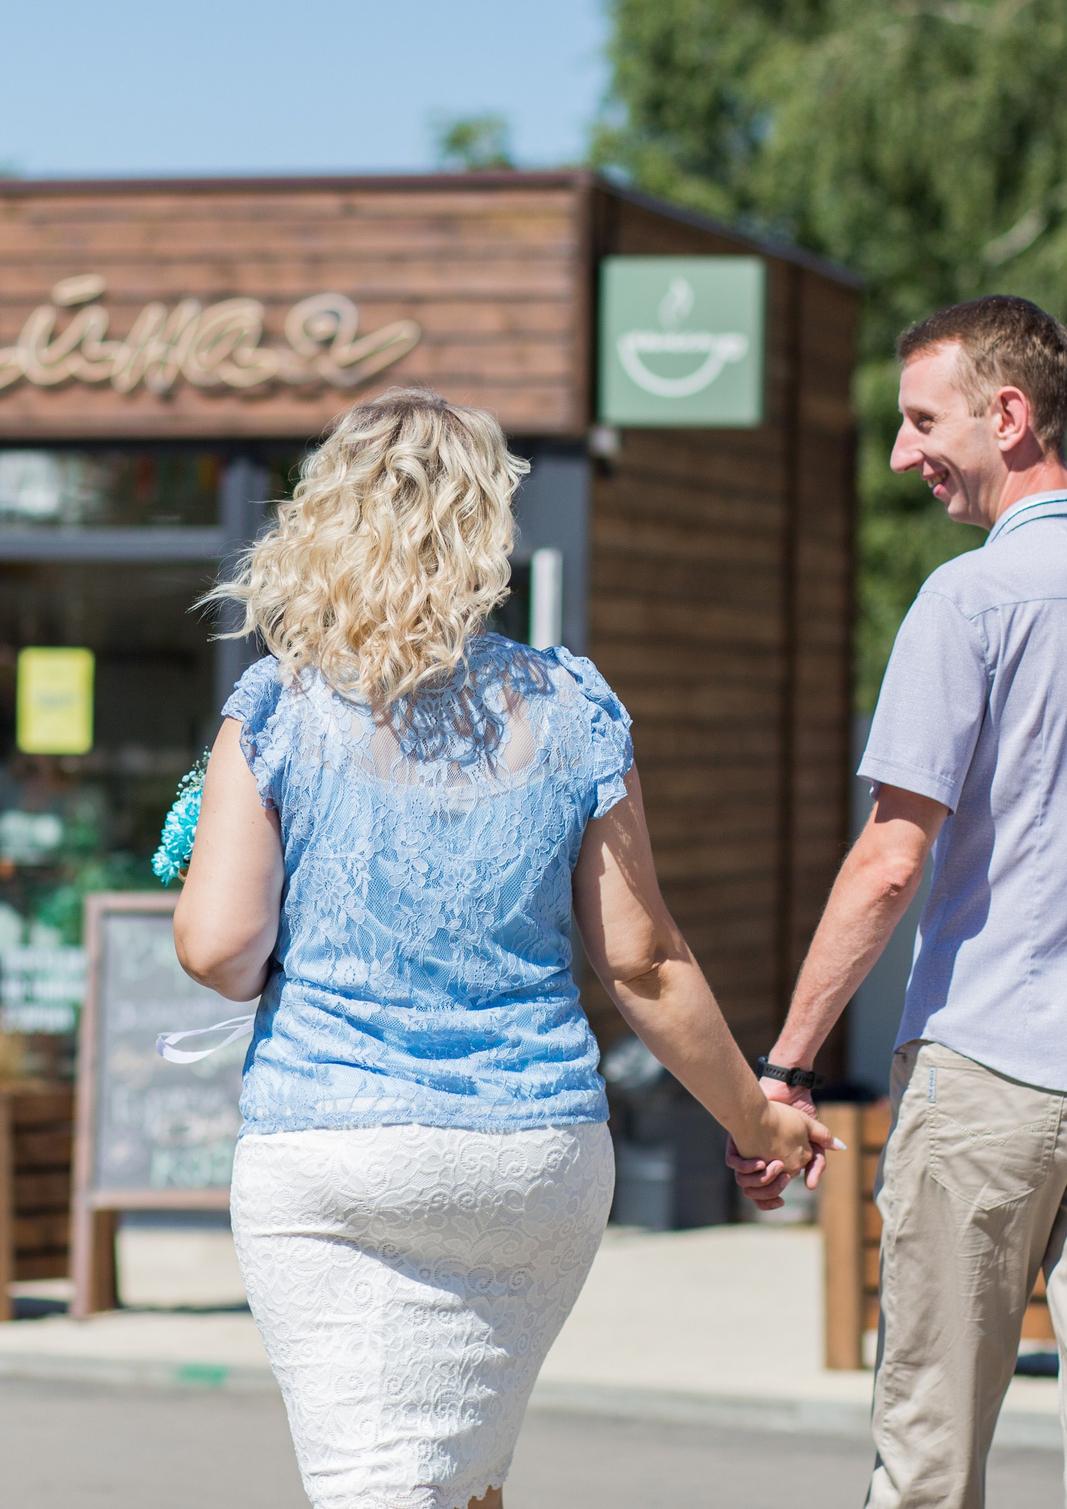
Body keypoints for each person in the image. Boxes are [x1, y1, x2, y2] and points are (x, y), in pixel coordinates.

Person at [175, 387, 834, 1509]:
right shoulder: (570, 706)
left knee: (379, 1486)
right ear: (486, 529)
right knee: (462, 1476)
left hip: (333, 1150)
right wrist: (756, 1120)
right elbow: (643, 963)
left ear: (322, 519)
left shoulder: (278, 706)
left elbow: (220, 947)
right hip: (529, 1156)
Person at [734, 297, 1067, 1508]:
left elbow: (889, 861)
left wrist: (787, 1066)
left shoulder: (966, 603)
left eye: (922, 420)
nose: (900, 452)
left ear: (1009, 416)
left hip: (990, 1071)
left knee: (926, 1457)